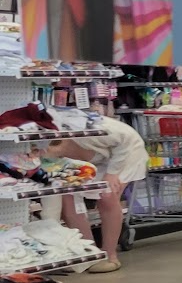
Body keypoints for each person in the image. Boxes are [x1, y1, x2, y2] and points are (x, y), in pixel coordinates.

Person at [54, 109, 148, 272]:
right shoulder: (41, 144)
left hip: (126, 152)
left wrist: (112, 173)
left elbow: (125, 140)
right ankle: (88, 253)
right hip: (95, 159)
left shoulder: (86, 131)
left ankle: (110, 255)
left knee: (107, 195)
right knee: (66, 197)